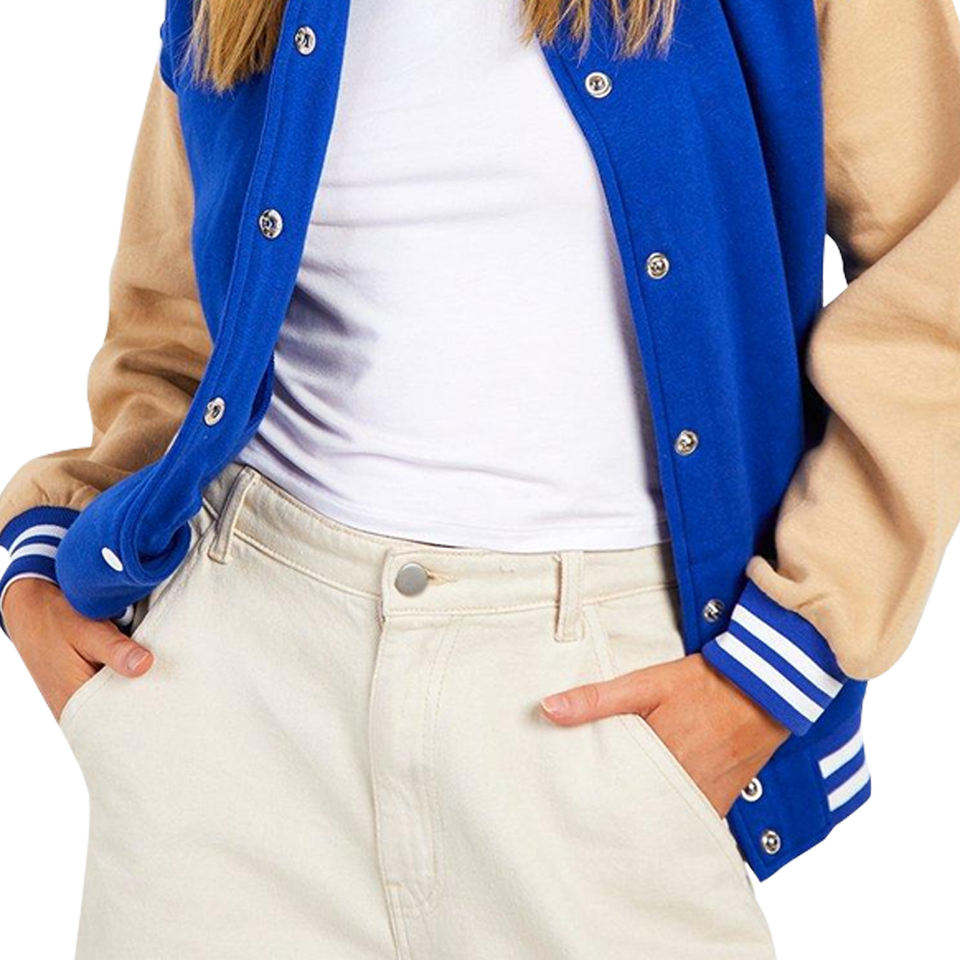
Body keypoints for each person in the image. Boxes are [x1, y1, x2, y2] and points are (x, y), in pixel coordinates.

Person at [2, 0, 958, 956]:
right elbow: (176, 315)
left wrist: (786, 655)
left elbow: (937, 279)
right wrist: (50, 544)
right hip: (236, 702)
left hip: (597, 701)